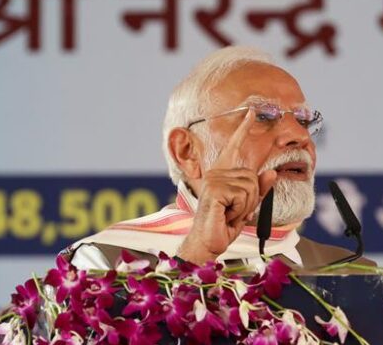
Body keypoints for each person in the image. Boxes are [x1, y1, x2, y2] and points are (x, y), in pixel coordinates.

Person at [67, 46, 365, 271]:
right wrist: (196, 255)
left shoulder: (352, 274)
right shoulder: (107, 263)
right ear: (187, 151)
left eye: (303, 119)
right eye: (262, 116)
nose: (298, 136)